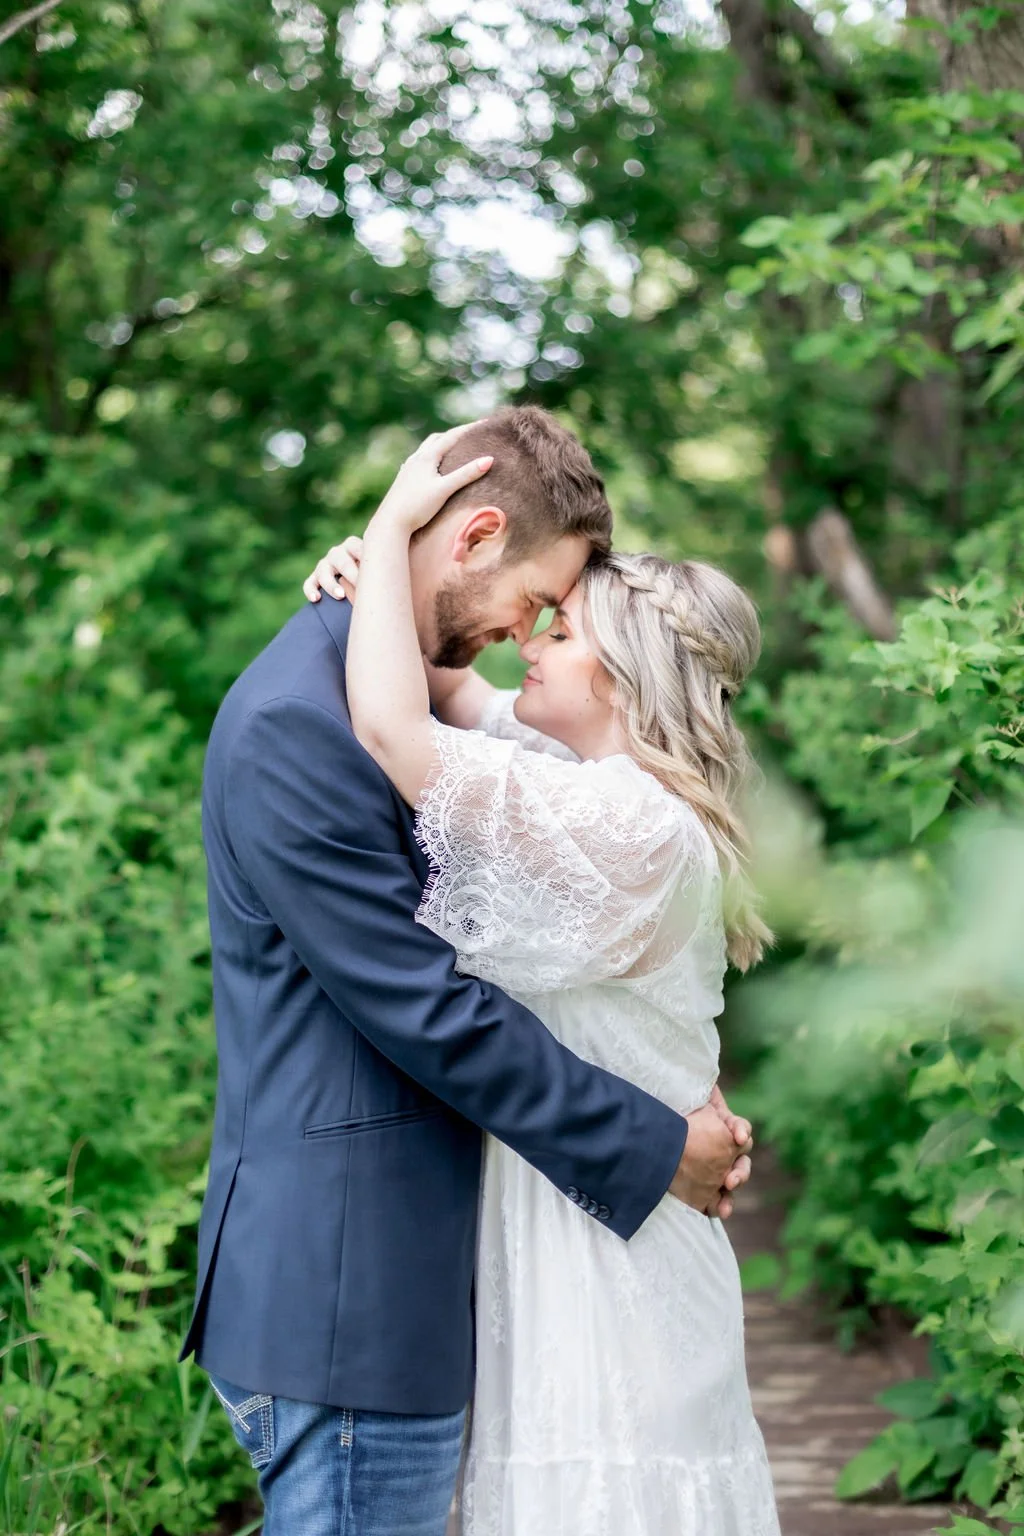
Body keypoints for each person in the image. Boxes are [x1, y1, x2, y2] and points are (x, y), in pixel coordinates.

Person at [182, 406, 753, 1536]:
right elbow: (429, 1013)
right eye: (533, 604)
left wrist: (380, 565)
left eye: (555, 625)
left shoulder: (497, 747)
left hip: (446, 1285)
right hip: (350, 1295)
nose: (524, 634)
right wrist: (656, 1141)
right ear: (476, 528)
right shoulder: (302, 725)